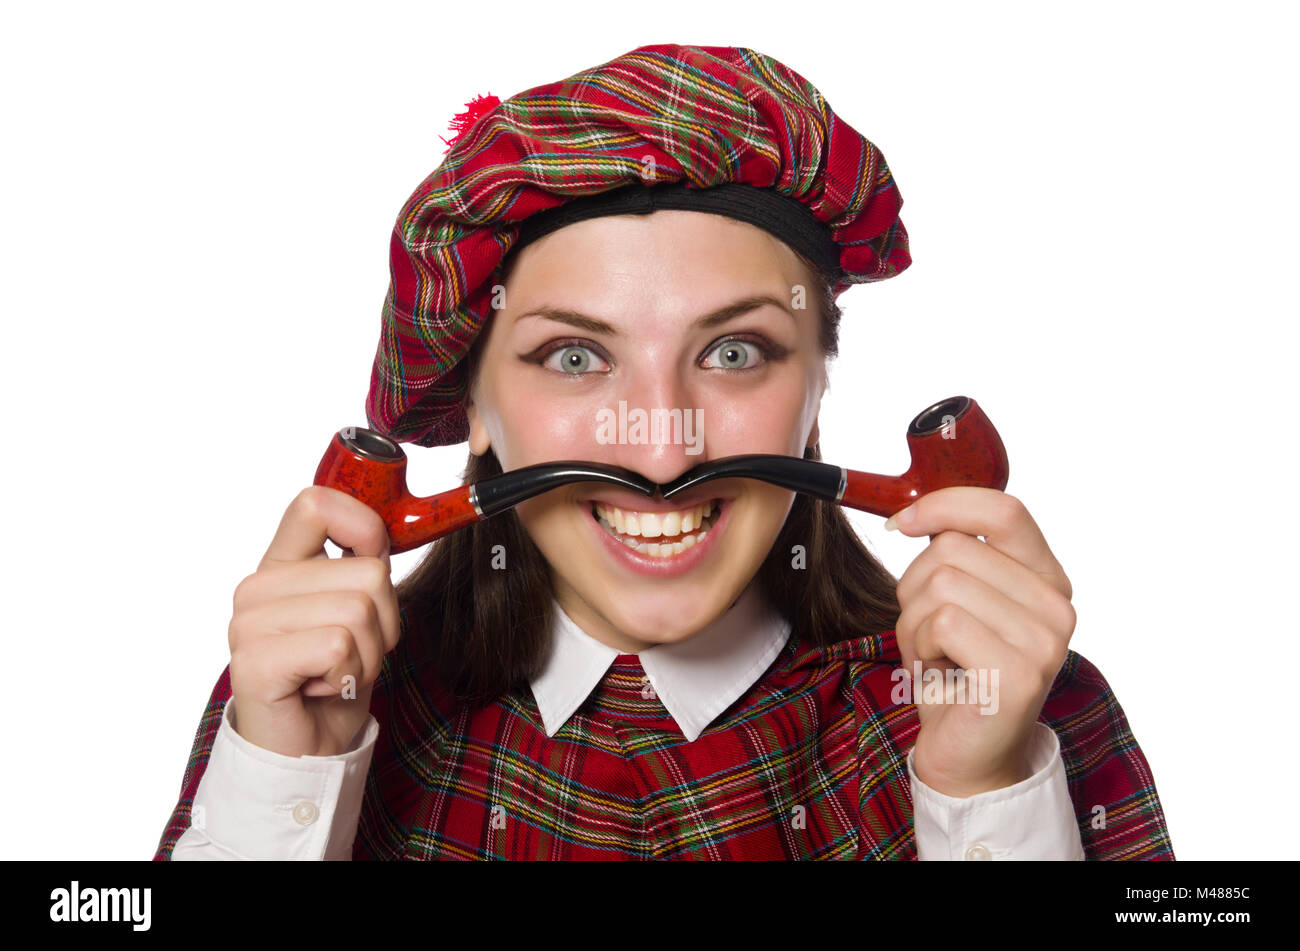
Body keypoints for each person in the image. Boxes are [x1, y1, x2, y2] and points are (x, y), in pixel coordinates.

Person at [154, 43, 1174, 860]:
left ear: (817, 385)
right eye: (572, 356)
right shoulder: (311, 697)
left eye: (734, 353)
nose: (659, 447)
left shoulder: (1018, 703)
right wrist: (286, 795)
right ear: (475, 410)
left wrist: (982, 797)